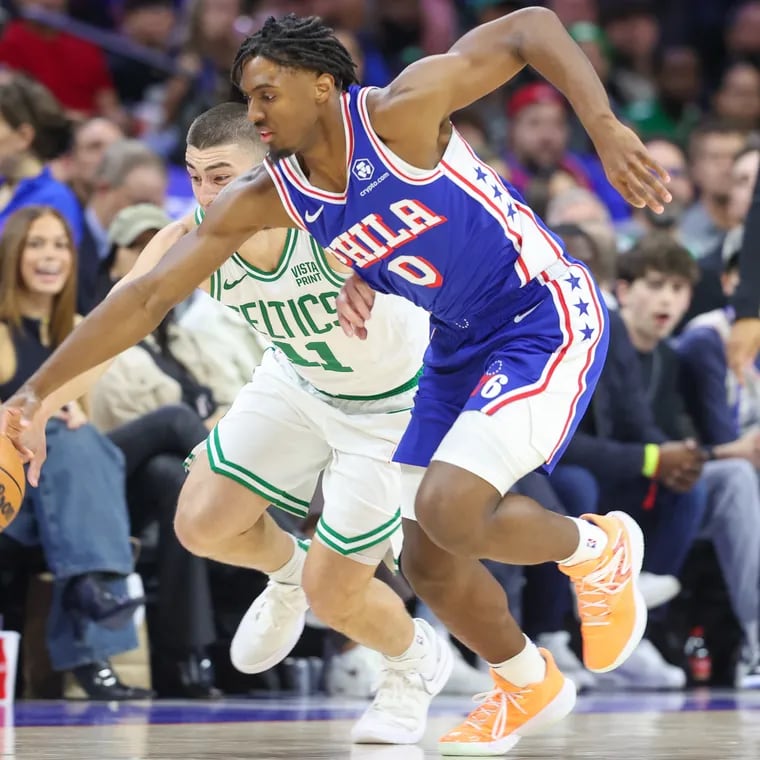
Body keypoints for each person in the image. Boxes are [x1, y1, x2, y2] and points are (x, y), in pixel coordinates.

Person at [2, 11, 672, 754]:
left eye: (266, 94)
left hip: (537, 313)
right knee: (425, 560)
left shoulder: (401, 113)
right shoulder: (273, 197)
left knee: (449, 511)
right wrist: (33, 395)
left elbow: (532, 28)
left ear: (322, 84)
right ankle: (524, 681)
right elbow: (143, 298)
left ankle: (594, 548)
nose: (254, 113)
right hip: (452, 344)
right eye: (245, 99)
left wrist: (605, 128)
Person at [6, 102, 453, 744]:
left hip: (390, 407)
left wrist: (377, 268)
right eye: (193, 175)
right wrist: (36, 409)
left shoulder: (344, 213)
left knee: (341, 595)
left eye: (222, 175)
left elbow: (449, 220)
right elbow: (113, 323)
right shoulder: (190, 236)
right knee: (200, 523)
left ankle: (412, 665)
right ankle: (289, 572)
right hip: (296, 380)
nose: (207, 193)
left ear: (274, 166)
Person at [0, 205, 148, 699]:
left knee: (81, 436)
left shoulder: (80, 329)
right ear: (13, 254)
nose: (50, 256)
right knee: (64, 432)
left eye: (60, 245)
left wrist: (68, 417)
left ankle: (91, 586)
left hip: (56, 492)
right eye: (37, 244)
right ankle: (96, 632)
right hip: (10, 491)